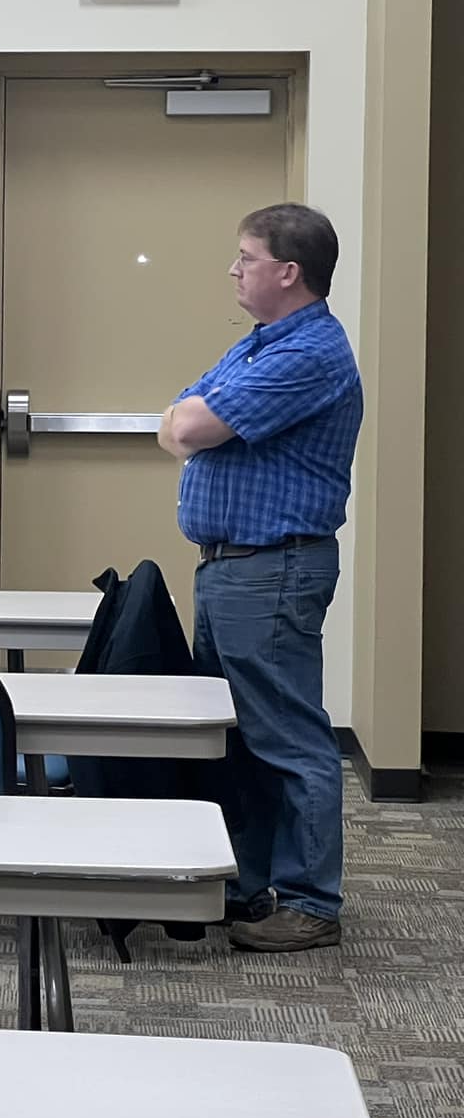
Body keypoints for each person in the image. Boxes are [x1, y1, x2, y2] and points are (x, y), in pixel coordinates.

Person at [158, 202, 362, 953]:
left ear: (289, 271)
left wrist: (189, 420)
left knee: (287, 736)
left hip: (272, 570)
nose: (234, 270)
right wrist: (187, 419)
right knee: (237, 737)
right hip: (235, 569)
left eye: (246, 258)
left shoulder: (308, 354)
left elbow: (186, 427)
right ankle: (248, 883)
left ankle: (309, 902)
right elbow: (180, 417)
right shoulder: (260, 345)